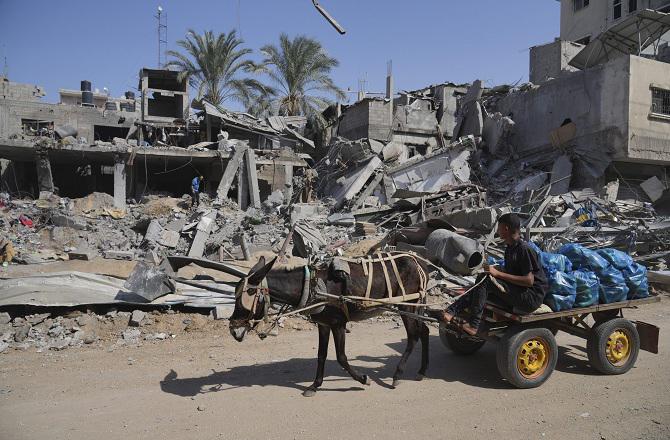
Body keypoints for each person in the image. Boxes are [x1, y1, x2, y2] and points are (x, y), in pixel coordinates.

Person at [441, 213, 548, 336]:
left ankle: (473, 324)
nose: (497, 230)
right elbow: (512, 273)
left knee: (486, 281)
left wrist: (497, 274)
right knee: (481, 284)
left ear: (506, 228)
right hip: (519, 291)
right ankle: (451, 312)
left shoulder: (523, 249)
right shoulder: (510, 248)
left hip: (530, 297)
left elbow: (529, 281)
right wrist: (496, 270)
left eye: (499, 227)